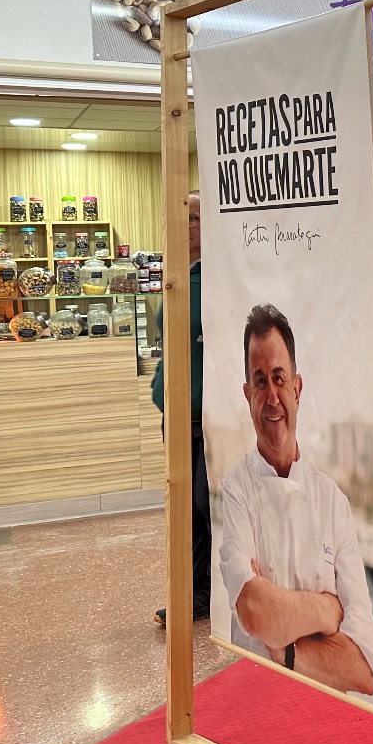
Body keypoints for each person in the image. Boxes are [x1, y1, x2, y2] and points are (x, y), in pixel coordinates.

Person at [216, 304, 373, 697]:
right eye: (260, 382)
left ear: (297, 388)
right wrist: (327, 609)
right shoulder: (236, 490)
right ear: (247, 395)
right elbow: (256, 614)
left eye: (279, 378)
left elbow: (364, 670)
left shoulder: (333, 502)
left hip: (330, 709)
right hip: (257, 696)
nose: (272, 396)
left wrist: (285, 650)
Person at [152, 191, 206, 627]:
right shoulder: (177, 275)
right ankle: (192, 592)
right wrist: (161, 390)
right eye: (182, 216)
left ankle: (210, 592)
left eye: (195, 218)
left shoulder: (219, 281)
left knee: (206, 506)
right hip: (176, 414)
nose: (186, 225)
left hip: (207, 416)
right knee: (185, 508)